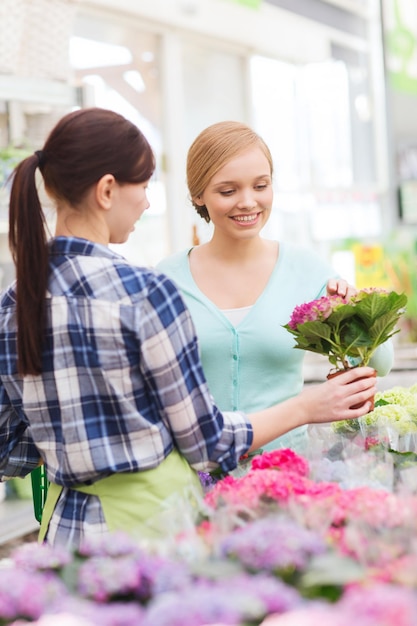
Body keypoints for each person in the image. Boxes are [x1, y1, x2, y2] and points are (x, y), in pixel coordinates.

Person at [0, 108, 377, 550]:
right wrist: (306, 407)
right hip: (149, 535)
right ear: (107, 190)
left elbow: (9, 450)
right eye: (142, 187)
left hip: (63, 530)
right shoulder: (145, 291)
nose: (145, 202)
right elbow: (207, 443)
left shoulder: (15, 298)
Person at [157, 120, 393, 455]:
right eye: (228, 191)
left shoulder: (306, 270)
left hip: (285, 478)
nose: (248, 202)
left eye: (260, 186)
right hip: (192, 479)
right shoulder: (166, 280)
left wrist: (353, 312)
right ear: (198, 194)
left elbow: (379, 364)